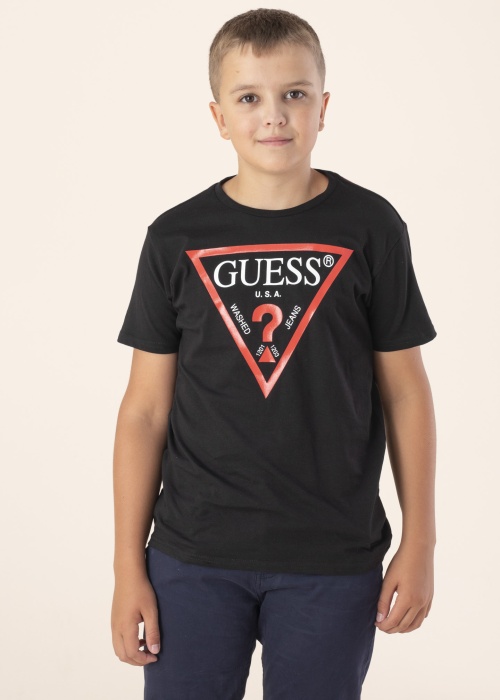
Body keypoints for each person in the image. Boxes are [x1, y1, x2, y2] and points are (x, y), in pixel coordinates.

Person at [111, 8, 437, 700]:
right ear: (218, 117)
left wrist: (420, 541)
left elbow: (406, 392)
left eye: (294, 94)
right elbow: (144, 411)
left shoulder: (371, 227)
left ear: (324, 107)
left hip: (332, 556)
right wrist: (127, 567)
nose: (274, 116)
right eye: (248, 97)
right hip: (193, 555)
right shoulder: (175, 238)